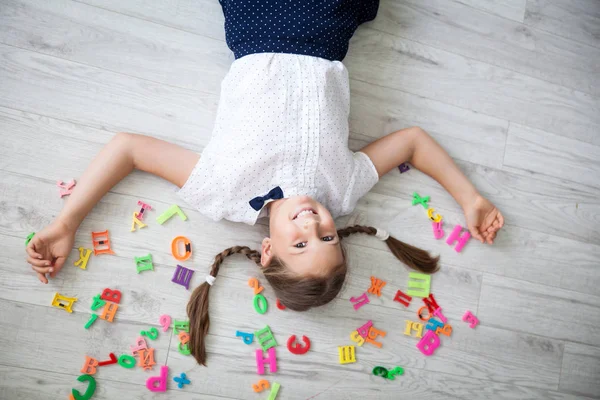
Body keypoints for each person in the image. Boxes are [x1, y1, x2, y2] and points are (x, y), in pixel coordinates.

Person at [25, 0, 504, 365]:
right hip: (325, 28)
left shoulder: (224, 193)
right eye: (329, 235)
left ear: (269, 251)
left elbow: (128, 149)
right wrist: (471, 198)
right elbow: (414, 142)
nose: (313, 222)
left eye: (301, 243)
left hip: (257, 27)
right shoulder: (343, 189)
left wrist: (67, 221)